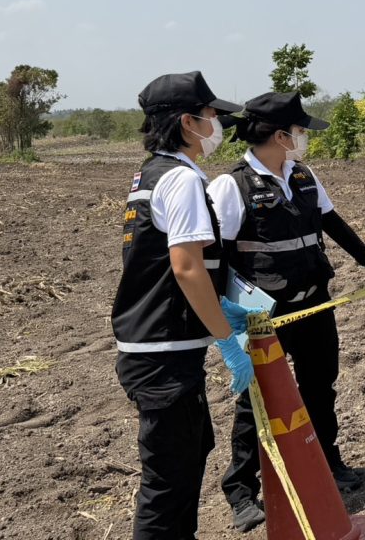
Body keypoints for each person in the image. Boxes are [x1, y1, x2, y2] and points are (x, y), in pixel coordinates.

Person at [208, 91, 365, 532]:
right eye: (299, 130)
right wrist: (223, 310)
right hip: (263, 316)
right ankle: (241, 491)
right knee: (256, 402)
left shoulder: (303, 175)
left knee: (320, 386)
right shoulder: (232, 186)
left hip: (315, 302)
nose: (303, 137)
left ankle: (328, 461)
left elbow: (332, 222)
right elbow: (214, 253)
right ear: (280, 136)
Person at [112, 71, 256, 540]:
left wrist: (219, 307)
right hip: (163, 355)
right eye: (211, 115)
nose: (218, 125)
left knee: (189, 457)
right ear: (187, 123)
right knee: (168, 483)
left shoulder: (152, 173)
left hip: (157, 349)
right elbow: (187, 267)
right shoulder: (181, 179)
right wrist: (226, 339)